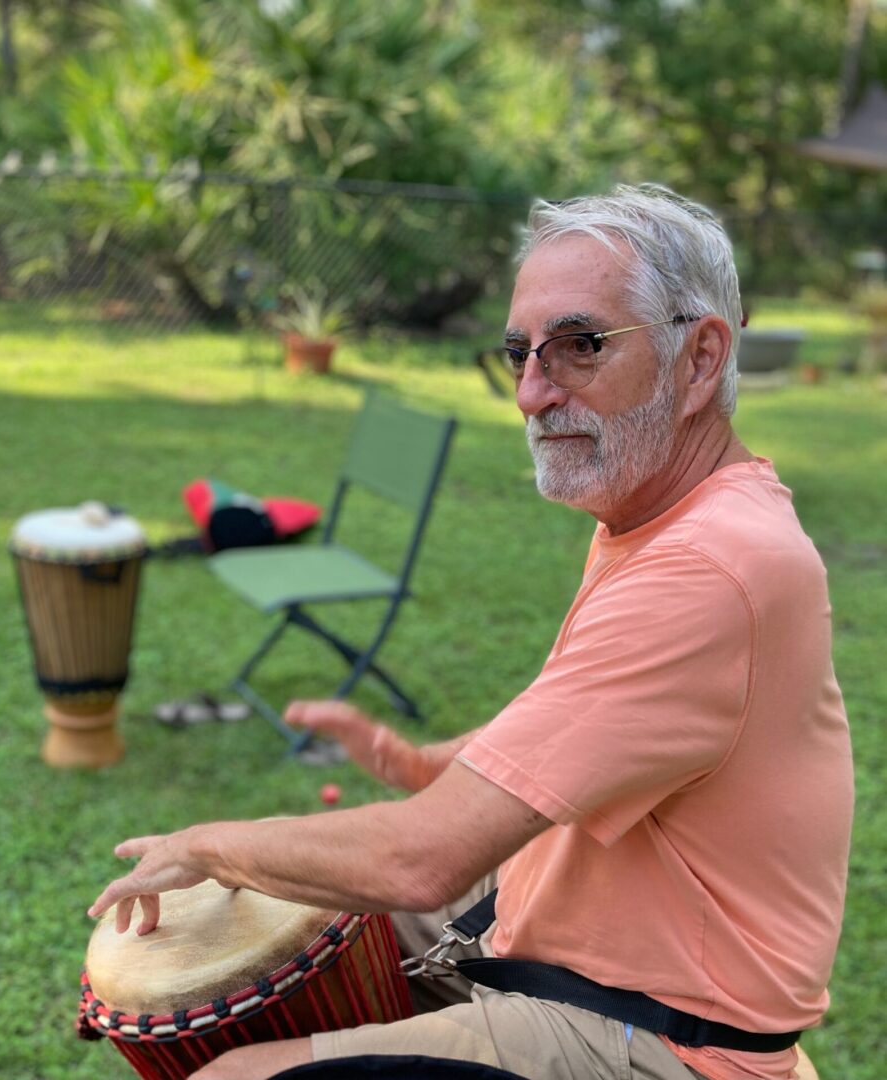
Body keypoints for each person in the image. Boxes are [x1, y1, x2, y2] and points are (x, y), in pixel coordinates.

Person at [89, 185, 853, 1080]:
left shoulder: (708, 567)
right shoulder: (663, 516)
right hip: (576, 951)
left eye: (578, 347)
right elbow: (594, 726)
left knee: (230, 1075)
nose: (532, 393)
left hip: (668, 1035)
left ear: (698, 358)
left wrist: (211, 843)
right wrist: (429, 765)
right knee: (285, 922)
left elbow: (422, 859)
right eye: (519, 354)